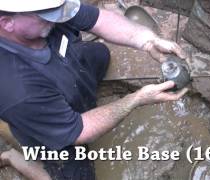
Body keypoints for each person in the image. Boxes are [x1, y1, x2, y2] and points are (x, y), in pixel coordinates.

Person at [0, 0, 188, 179]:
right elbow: (79, 131)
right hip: (44, 118)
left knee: (101, 54)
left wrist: (148, 41)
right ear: (7, 23)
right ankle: (14, 156)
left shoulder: (44, 12)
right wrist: (136, 99)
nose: (58, 18)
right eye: (47, 15)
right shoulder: (16, 88)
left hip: (63, 66)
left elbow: (98, 19)